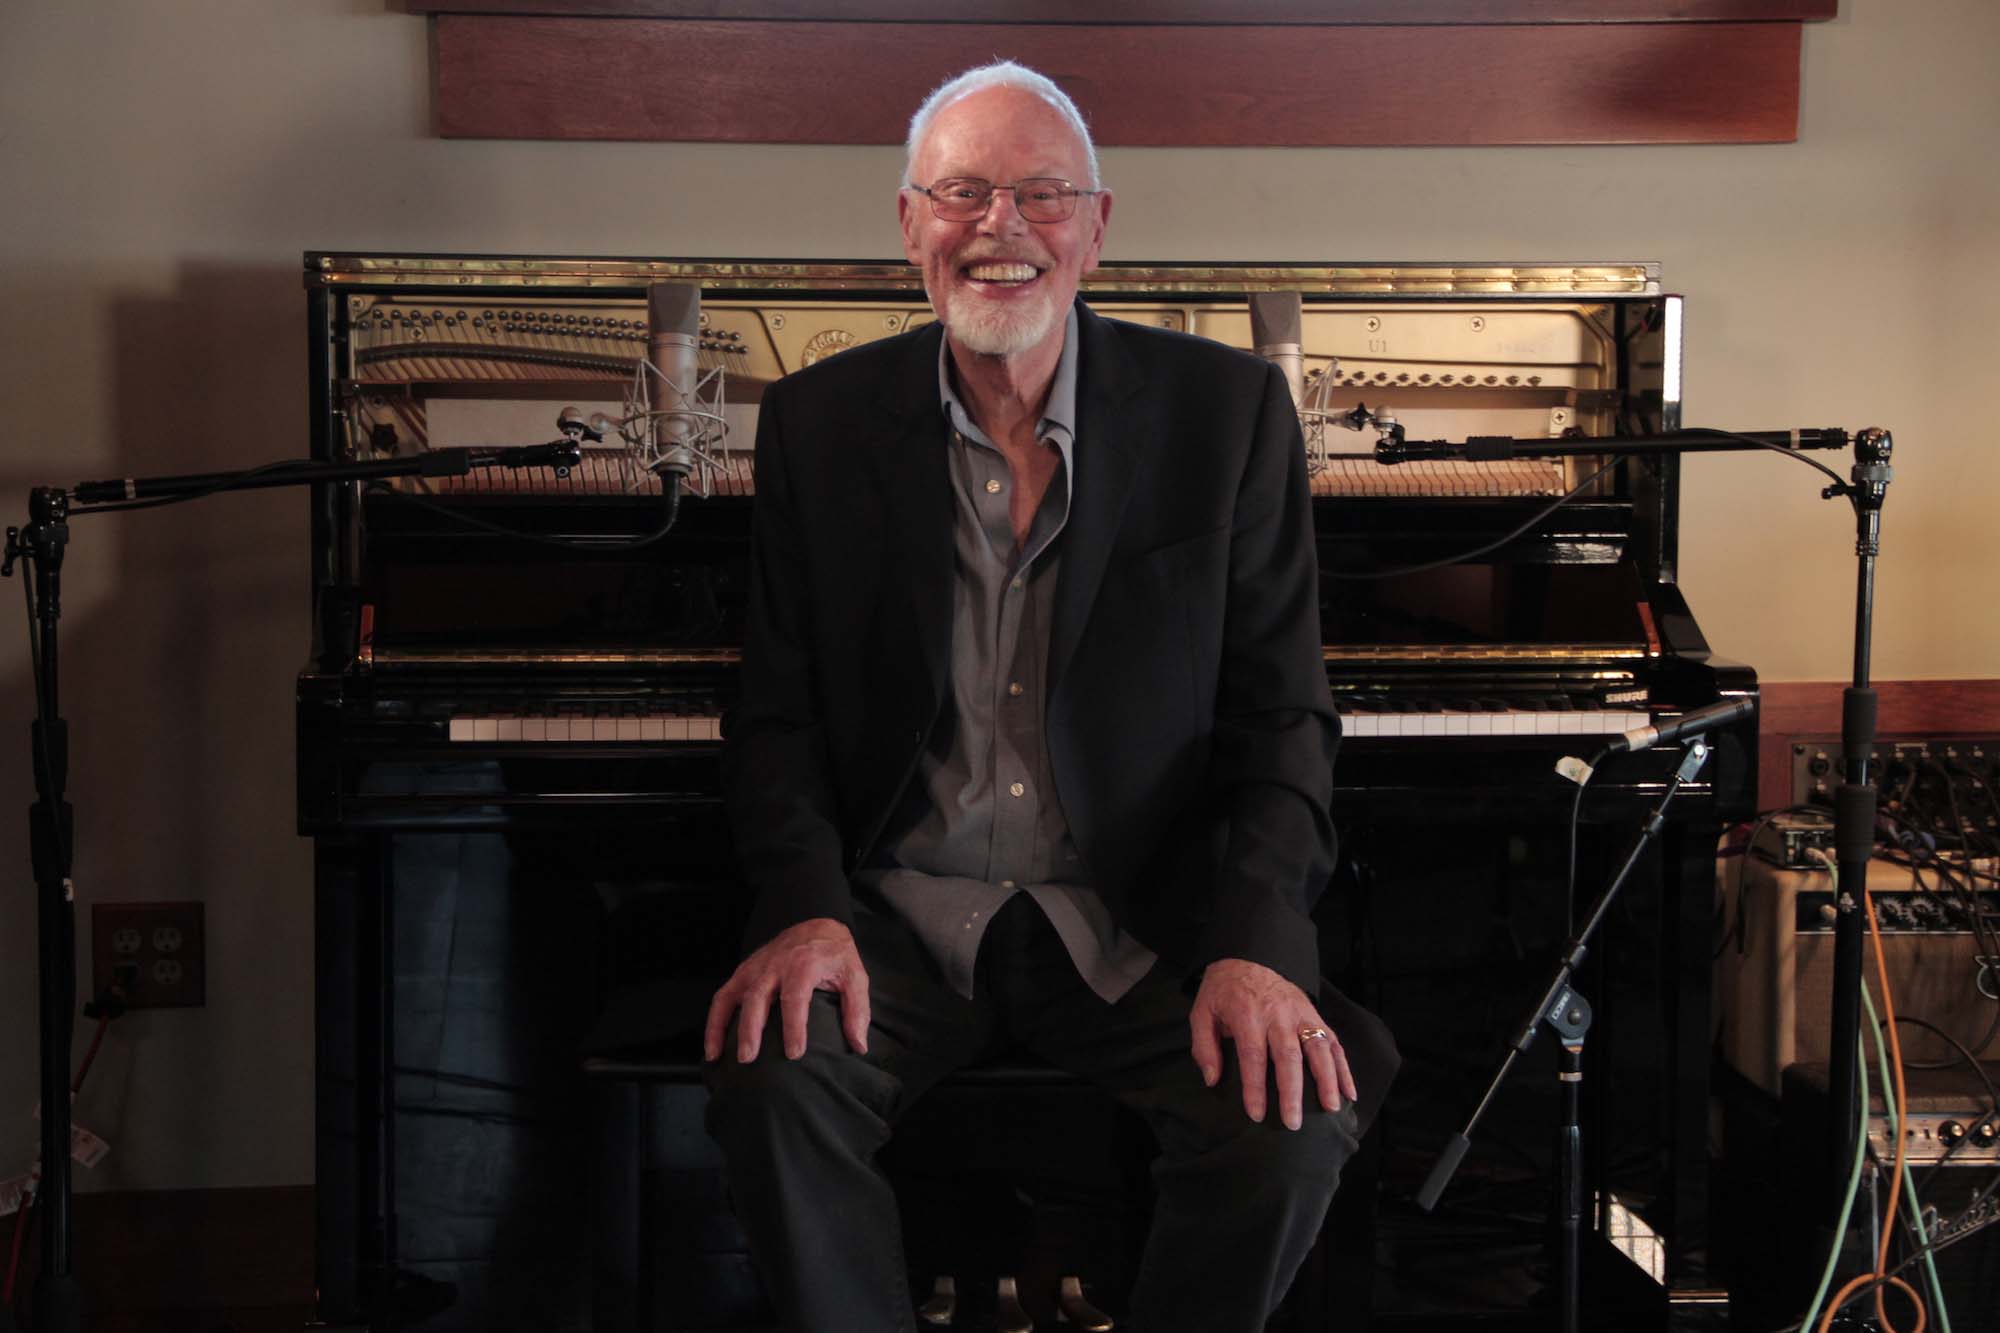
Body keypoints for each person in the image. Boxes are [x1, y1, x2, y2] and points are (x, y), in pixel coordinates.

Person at [703, 60, 1397, 1333]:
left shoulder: (1225, 415)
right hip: (901, 919)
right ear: (910, 222)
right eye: (961, 193)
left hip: (1134, 925)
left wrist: (1253, 943)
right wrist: (802, 912)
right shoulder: (816, 423)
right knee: (774, 1078)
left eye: (1040, 195)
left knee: (1285, 1122)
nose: (999, 227)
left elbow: (1280, 720)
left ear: (1095, 226)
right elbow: (780, 718)